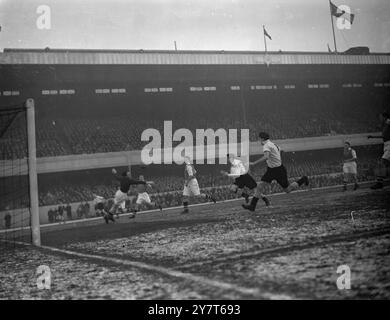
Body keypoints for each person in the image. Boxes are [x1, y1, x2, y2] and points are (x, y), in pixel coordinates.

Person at [242, 132, 309, 212]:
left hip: (277, 170)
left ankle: (303, 179)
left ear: (262, 138)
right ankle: (252, 206)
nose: (259, 140)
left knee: (287, 190)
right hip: (273, 169)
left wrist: (254, 163)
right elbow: (281, 151)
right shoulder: (273, 144)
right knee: (260, 186)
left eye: (259, 139)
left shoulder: (266, 145)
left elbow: (266, 156)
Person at [368, 112, 390, 189]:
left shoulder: (388, 122)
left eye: (380, 117)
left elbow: (384, 135)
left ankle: (379, 183)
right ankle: (379, 183)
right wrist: (373, 137)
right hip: (386, 145)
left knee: (382, 163)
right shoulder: (386, 124)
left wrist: (373, 137)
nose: (379, 118)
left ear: (384, 117)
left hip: (389, 145)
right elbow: (384, 135)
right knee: (384, 164)